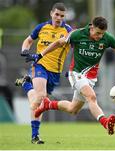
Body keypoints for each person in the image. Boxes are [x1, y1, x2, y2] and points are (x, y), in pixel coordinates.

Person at [25, 16, 115, 135]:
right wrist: (41, 55)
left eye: (102, 34)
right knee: (91, 97)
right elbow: (58, 43)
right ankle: (105, 122)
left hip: (91, 78)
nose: (100, 36)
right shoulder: (77, 34)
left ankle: (48, 104)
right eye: (98, 33)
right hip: (76, 73)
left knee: (73, 109)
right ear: (91, 27)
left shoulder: (107, 38)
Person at [15, 2, 72, 144]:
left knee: (38, 102)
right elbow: (28, 40)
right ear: (51, 13)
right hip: (39, 65)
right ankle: (35, 136)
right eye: (57, 14)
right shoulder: (41, 27)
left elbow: (75, 50)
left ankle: (26, 84)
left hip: (55, 72)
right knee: (40, 97)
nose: (59, 18)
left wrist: (73, 69)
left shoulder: (68, 30)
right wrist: (25, 50)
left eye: (62, 16)